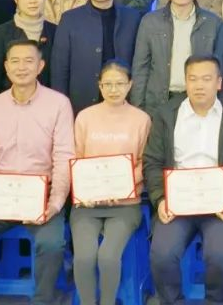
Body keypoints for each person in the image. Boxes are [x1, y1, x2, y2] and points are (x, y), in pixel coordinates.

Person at [0, 39, 74, 305]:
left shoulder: (58, 104)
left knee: (51, 244)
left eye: (29, 61)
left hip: (41, 197)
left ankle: (42, 301)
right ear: (6, 67)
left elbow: (64, 157)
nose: (21, 67)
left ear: (40, 66)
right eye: (15, 61)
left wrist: (54, 204)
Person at [144, 55, 223, 305]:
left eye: (206, 79)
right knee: (162, 255)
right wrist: (160, 199)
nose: (199, 85)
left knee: (220, 255)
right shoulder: (166, 116)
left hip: (219, 204)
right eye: (193, 79)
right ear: (185, 82)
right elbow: (152, 162)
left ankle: (216, 301)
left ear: (219, 82)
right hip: (177, 204)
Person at [71, 60, 152, 305]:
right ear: (100, 86)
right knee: (84, 258)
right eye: (107, 84)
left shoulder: (141, 119)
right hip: (87, 204)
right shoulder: (85, 117)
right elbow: (76, 158)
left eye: (119, 84)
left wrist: (124, 186)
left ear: (130, 85)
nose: (113, 89)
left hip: (125, 204)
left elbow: (145, 162)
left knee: (107, 256)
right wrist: (83, 191)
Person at [51, 0, 142, 114]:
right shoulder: (70, 19)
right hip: (81, 105)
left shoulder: (133, 18)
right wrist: (61, 108)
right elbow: (59, 69)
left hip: (124, 104)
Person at [130, 0, 221, 111]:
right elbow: (140, 68)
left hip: (200, 102)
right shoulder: (150, 21)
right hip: (158, 103)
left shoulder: (213, 23)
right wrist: (138, 109)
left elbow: (220, 69)